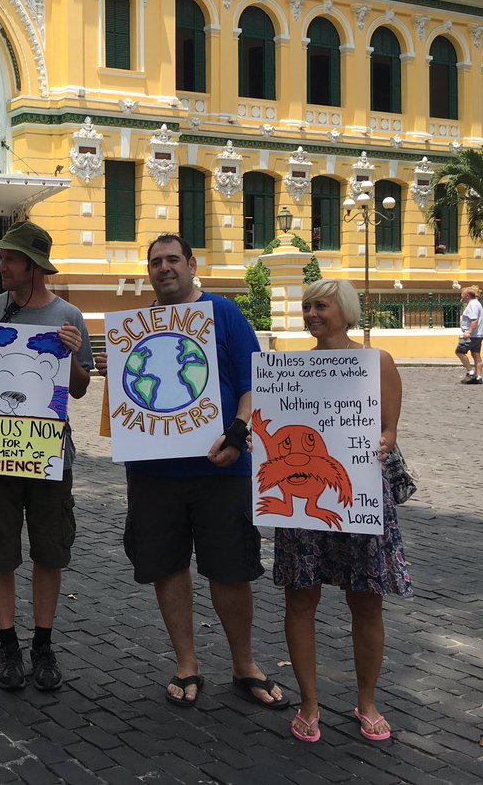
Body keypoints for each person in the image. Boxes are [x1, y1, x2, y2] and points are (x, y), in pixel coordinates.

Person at [97, 234, 288, 711]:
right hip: (153, 473)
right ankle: (187, 663)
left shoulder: (223, 314)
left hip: (219, 468)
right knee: (167, 566)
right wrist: (114, 373)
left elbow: (253, 383)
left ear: (191, 264)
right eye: (156, 262)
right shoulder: (134, 328)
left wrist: (239, 433)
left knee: (230, 569)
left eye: (172, 260)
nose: (164, 268)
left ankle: (244, 664)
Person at [275, 279, 412, 743]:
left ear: (346, 310)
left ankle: (367, 700)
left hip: (359, 496)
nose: (312, 314)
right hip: (303, 502)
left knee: (367, 602)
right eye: (307, 306)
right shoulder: (288, 370)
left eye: (321, 306)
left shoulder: (378, 363)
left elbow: (389, 431)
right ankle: (309, 702)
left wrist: (382, 441)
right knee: (300, 598)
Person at [0, 221, 92, 692]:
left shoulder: (69, 316)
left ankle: (42, 642)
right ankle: (6, 644)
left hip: (50, 457)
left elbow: (79, 390)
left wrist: (75, 356)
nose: (1, 266)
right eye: (1, 258)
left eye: (10, 259)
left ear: (34, 267)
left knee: (49, 551)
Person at [456, 286, 483, 384]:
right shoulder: (476, 304)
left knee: (459, 351)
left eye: (462, 294)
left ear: (467, 295)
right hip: (478, 335)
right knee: (476, 354)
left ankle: (470, 372)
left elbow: (474, 320)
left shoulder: (472, 305)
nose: (461, 296)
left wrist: (468, 332)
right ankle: (478, 377)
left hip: (470, 336)